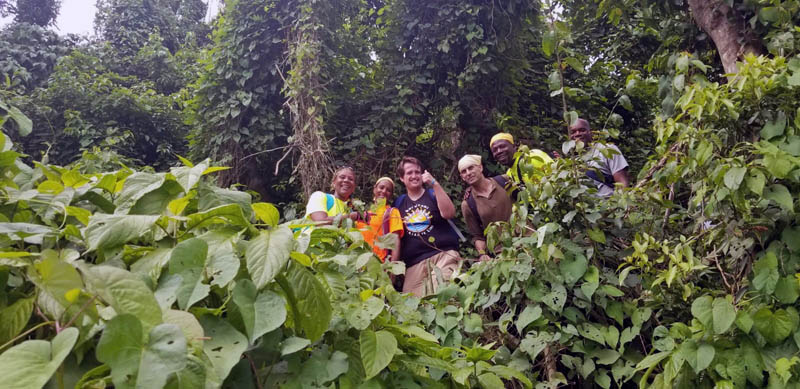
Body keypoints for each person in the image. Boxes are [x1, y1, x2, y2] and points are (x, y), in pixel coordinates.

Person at [393, 156, 462, 296]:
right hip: (414, 263)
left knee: (443, 296)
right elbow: (396, 238)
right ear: (402, 178)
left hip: (443, 255)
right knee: (411, 306)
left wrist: (435, 184)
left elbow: (449, 213)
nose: (414, 176)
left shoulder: (432, 194)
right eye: (409, 173)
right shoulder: (399, 203)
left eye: (417, 172)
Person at [458, 155, 513, 262]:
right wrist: (482, 254)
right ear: (462, 177)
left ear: (480, 167)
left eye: (471, 168)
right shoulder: (468, 204)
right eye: (464, 171)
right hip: (502, 253)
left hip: (526, 237)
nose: (468, 173)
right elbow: (477, 236)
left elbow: (523, 201)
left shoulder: (503, 181)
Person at [568, 118, 630, 197]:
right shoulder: (572, 160)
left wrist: (620, 204)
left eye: (582, 130)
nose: (577, 134)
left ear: (591, 132)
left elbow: (622, 183)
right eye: (573, 132)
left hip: (608, 205)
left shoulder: (606, 149)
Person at [489, 132, 553, 195]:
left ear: (514, 146)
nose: (499, 151)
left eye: (502, 146)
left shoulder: (531, 157)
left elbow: (554, 179)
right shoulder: (509, 174)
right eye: (494, 150)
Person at [358, 177, 404, 262]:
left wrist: (392, 270)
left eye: (388, 190)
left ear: (391, 195)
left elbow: (395, 241)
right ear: (375, 189)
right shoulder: (362, 215)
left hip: (380, 265)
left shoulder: (392, 213)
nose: (384, 191)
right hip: (359, 267)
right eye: (381, 187)